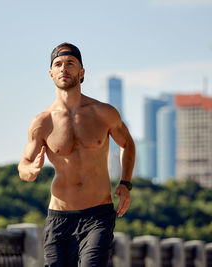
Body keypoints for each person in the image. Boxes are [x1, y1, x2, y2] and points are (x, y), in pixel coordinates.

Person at [18, 42, 136, 267]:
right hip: (59, 218)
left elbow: (127, 144)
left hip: (97, 215)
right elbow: (23, 164)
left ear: (81, 72)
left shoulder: (104, 113)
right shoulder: (42, 122)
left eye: (70, 63)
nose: (64, 68)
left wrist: (125, 183)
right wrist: (30, 171)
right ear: (51, 73)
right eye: (58, 64)